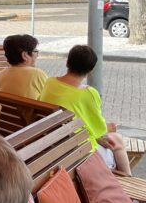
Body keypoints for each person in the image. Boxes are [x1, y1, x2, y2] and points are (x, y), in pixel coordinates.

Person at [39, 45, 132, 175]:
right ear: (91, 70)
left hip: (52, 143)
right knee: (117, 139)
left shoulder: (50, 82)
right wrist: (110, 127)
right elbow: (99, 130)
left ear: (67, 62)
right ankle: (127, 179)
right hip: (80, 152)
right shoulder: (89, 93)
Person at [0, 34, 48, 100]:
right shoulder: (37, 74)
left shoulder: (1, 74)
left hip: (8, 110)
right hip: (31, 110)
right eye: (35, 51)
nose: (37, 55)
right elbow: (50, 98)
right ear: (24, 55)